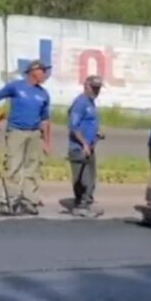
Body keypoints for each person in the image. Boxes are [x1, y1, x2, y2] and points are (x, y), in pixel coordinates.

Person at [0, 59, 52, 215]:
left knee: (33, 168)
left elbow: (45, 120)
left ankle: (29, 200)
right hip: (16, 131)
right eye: (43, 70)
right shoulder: (16, 87)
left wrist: (47, 142)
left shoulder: (43, 94)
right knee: (13, 165)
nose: (45, 74)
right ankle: (10, 200)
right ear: (33, 71)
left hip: (35, 134)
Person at [67, 75, 105, 217]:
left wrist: (97, 133)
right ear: (86, 86)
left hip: (90, 146)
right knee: (83, 178)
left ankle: (87, 202)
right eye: (94, 88)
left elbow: (88, 123)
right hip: (79, 148)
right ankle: (80, 205)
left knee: (91, 178)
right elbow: (74, 126)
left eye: (98, 88)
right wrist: (84, 144)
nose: (96, 91)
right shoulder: (80, 103)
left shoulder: (91, 103)